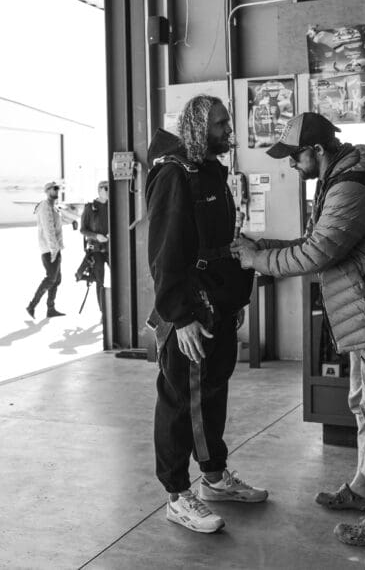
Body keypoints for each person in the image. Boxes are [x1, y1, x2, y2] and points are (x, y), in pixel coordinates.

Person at [231, 112, 365, 547]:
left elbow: (317, 253)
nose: (289, 163)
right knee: (364, 405)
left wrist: (256, 261)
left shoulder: (350, 187)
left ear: (318, 151)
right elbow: (317, 241)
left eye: (293, 155)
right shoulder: (341, 180)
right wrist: (265, 247)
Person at [146, 94, 267, 535]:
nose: (228, 129)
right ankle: (177, 495)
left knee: (212, 393)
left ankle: (214, 476)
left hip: (219, 303)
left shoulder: (211, 171)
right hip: (191, 310)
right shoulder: (174, 176)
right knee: (182, 401)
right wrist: (181, 317)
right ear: (198, 126)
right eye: (219, 124)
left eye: (227, 121)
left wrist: (232, 301)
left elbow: (217, 246)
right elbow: (164, 253)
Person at [27, 181, 65, 319]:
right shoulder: (45, 206)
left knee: (56, 279)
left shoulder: (53, 207)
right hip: (49, 249)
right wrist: (54, 249)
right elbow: (48, 229)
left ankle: (51, 309)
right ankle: (32, 306)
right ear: (47, 190)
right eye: (54, 189)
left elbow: (57, 225)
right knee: (50, 278)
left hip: (54, 248)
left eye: (58, 189)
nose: (57, 191)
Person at [79, 180, 110, 310]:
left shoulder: (113, 205)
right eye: (106, 189)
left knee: (121, 277)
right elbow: (83, 230)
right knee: (99, 281)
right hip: (96, 250)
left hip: (111, 248)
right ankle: (103, 311)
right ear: (100, 190)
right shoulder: (89, 208)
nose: (109, 191)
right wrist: (96, 236)